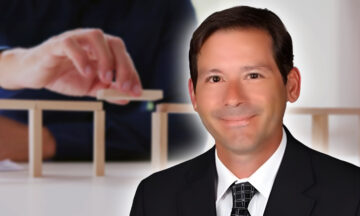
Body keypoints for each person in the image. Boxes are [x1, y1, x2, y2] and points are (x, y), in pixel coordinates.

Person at [130, 6, 360, 216]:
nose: (233, 98)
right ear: (194, 95)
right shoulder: (154, 199)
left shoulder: (351, 194)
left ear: (291, 85)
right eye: (215, 78)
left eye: (253, 76)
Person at [0, 0, 205, 161]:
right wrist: (13, 64)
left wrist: (42, 141)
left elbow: (187, 124)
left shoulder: (167, 7)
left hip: (116, 181)